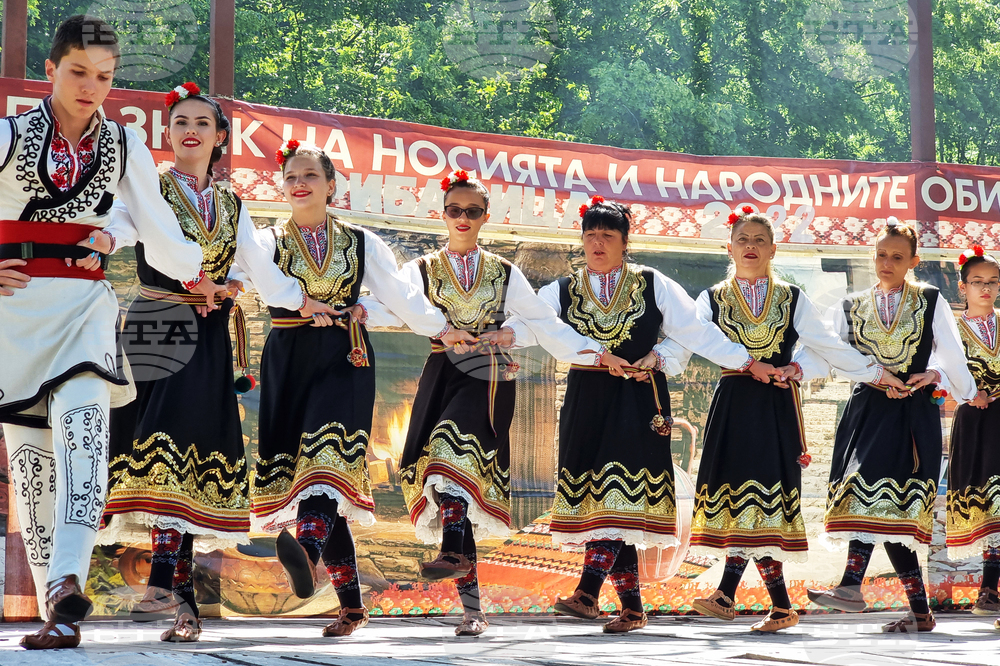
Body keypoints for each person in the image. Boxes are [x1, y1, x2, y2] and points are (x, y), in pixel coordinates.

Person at [0, 16, 227, 650]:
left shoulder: (123, 145)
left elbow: (159, 227)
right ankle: (58, 609)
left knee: (84, 440)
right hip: (14, 319)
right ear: (50, 70)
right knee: (34, 472)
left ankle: (69, 578)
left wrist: (198, 274)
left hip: (86, 311)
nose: (91, 87)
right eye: (78, 72)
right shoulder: (9, 138)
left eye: (104, 76)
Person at [96, 85, 337, 642]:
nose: (191, 130)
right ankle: (161, 584)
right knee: (159, 444)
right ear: (169, 133)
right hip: (159, 323)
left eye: (202, 123)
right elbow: (128, 227)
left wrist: (303, 300)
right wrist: (102, 238)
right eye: (180, 121)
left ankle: (176, 600)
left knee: (196, 450)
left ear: (220, 136)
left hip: (208, 336)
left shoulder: (232, 204)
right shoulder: (151, 187)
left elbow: (260, 268)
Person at [246, 142, 474, 638]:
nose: (299, 183)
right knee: (311, 479)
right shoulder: (264, 242)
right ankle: (351, 604)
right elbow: (248, 281)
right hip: (287, 358)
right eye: (290, 176)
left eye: (310, 175)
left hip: (345, 358)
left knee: (328, 461)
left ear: (332, 185)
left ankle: (306, 552)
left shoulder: (362, 243)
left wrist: (441, 326)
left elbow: (401, 293)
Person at [530, 196, 781, 633]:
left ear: (627, 242)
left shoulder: (652, 284)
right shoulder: (563, 290)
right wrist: (588, 353)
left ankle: (588, 592)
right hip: (588, 400)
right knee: (607, 500)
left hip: (639, 401)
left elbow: (694, 333)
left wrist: (676, 357)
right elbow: (534, 320)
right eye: (590, 234)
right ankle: (631, 609)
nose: (597, 242)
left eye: (608, 235)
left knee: (620, 496)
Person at [391, 172, 627, 637]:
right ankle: (471, 607)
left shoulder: (503, 271)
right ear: (443, 214)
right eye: (455, 210)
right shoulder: (420, 269)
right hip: (441, 372)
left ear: (485, 217)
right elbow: (394, 305)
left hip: (489, 377)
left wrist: (513, 334)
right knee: (456, 492)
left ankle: (454, 555)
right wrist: (357, 312)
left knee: (447, 455)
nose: (463, 218)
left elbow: (542, 320)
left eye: (472, 211)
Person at [672, 208, 905, 632]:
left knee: (763, 497)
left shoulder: (792, 298)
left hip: (776, 405)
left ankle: (753, 600)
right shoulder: (710, 298)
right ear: (729, 247)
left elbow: (826, 345)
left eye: (760, 240)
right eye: (743, 239)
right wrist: (744, 362)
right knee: (741, 498)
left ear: (774, 249)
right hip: (733, 404)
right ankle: (760, 602)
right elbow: (693, 338)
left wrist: (806, 368)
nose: (750, 247)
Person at [807, 218, 977, 633]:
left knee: (883, 500)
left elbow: (949, 352)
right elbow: (829, 352)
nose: (887, 262)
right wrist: (801, 369)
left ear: (913, 261)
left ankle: (850, 585)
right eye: (881, 254)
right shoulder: (848, 305)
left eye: (897, 257)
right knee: (881, 506)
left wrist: (936, 375)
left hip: (910, 413)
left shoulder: (930, 299)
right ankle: (919, 613)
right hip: (867, 409)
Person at [945, 246, 1000, 622]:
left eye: (993, 282)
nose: (986, 288)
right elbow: (940, 371)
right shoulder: (949, 329)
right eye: (977, 282)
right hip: (975, 420)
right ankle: (988, 590)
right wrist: (968, 393)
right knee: (987, 501)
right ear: (962, 288)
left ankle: (989, 592)